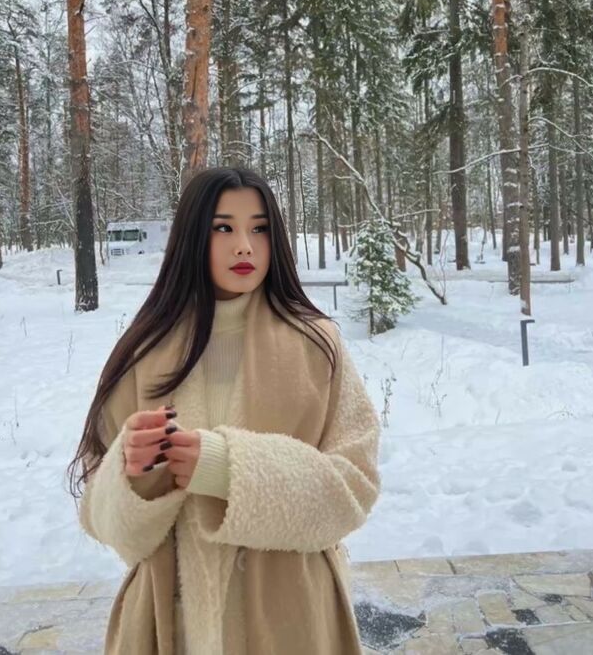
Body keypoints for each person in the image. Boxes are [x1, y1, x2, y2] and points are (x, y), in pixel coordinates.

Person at [68, 165, 381, 655]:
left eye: (259, 228)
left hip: (292, 621)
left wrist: (226, 468)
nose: (244, 247)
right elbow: (105, 521)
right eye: (223, 228)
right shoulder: (143, 352)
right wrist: (134, 477)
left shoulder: (316, 344)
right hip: (168, 623)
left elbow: (354, 490)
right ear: (192, 236)